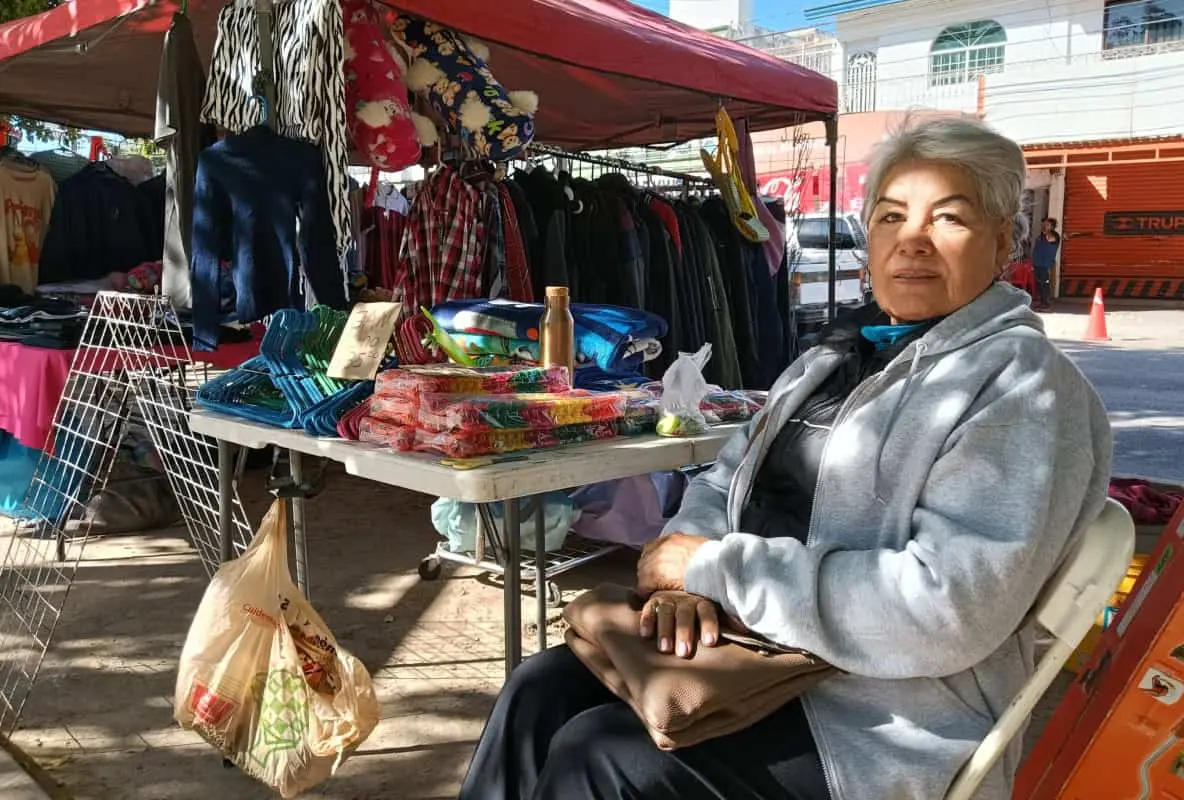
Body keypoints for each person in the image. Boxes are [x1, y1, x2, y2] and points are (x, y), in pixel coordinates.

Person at [457, 117, 1112, 800]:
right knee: (540, 693)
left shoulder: (1024, 388)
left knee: (601, 758)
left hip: (879, 713)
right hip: (754, 651)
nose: (912, 240)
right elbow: (721, 480)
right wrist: (687, 583)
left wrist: (718, 570)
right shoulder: (833, 356)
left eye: (948, 219)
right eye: (891, 216)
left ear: (1003, 241)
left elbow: (947, 607)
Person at [1031, 217, 1061, 308]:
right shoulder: (1041, 235)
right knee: (1039, 284)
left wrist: (1047, 231)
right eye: (1044, 224)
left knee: (1045, 284)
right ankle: (1042, 302)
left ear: (1052, 227)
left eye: (1047, 225)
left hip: (1045, 265)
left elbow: (1049, 239)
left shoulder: (1054, 235)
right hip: (1037, 264)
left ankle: (1046, 303)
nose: (1044, 226)